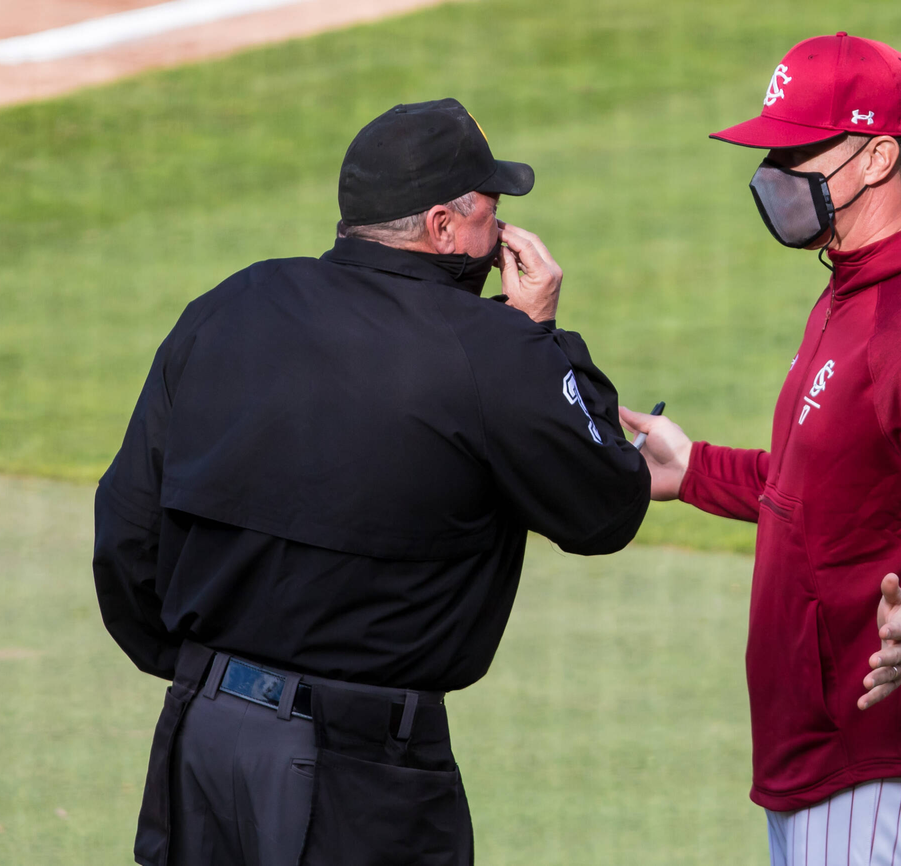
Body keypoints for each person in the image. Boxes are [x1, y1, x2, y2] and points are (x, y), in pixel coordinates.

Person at [93, 97, 650, 866]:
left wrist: (213, 677)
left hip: (202, 741)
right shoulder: (492, 350)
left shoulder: (230, 304)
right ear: (443, 227)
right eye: (492, 212)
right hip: (357, 773)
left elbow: (125, 532)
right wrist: (538, 338)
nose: (502, 238)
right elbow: (605, 510)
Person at [621, 33, 901, 865]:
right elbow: (834, 487)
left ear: (879, 155)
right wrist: (695, 468)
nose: (777, 169)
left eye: (801, 148)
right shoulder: (852, 284)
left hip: (878, 747)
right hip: (819, 748)